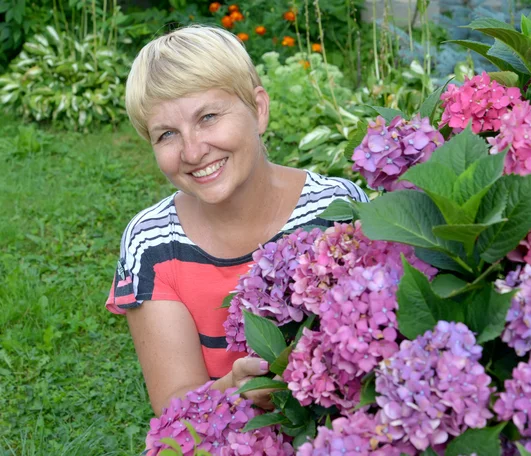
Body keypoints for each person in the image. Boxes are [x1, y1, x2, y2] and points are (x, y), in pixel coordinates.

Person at [105, 24, 369, 417]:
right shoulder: (151, 244)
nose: (193, 151)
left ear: (259, 110)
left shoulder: (336, 207)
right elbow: (174, 407)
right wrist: (234, 388)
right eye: (167, 134)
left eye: (208, 116)